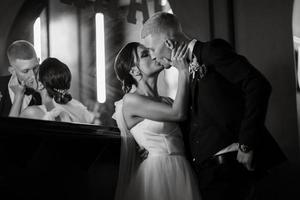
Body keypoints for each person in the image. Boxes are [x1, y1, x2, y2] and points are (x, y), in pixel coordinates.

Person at [141, 11, 287, 200]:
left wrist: (246, 144)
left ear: (169, 41)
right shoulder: (183, 71)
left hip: (230, 167)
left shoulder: (211, 51)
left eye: (152, 49)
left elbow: (257, 84)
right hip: (207, 174)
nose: (152, 57)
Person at [113, 42, 201, 200]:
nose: (154, 55)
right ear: (134, 70)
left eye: (151, 51)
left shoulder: (167, 101)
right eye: (145, 55)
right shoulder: (131, 101)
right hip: (158, 173)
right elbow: (178, 114)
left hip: (183, 170)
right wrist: (183, 71)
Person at [11, 57, 94, 123]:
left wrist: (18, 96)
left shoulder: (32, 113)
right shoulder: (77, 108)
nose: (31, 75)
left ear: (40, 84)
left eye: (35, 73)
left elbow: (8, 133)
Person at [0, 40, 41, 117]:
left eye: (35, 68)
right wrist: (19, 96)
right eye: (26, 71)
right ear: (12, 71)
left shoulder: (45, 87)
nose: (32, 75)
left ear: (38, 61)